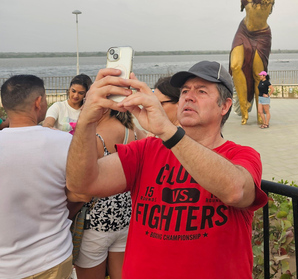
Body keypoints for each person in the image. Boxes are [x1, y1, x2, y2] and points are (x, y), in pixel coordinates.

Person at [66, 61, 268, 278]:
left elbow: (235, 190)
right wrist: (87, 119)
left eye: (201, 91)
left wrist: (167, 130)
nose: (189, 97)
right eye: (184, 91)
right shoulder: (145, 151)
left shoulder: (242, 155)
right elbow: (81, 184)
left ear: (225, 106)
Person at [0, 75, 89, 279]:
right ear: (39, 102)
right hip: (52, 257)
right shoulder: (65, 142)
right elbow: (83, 194)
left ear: (5, 105)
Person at [75, 110, 144, 279]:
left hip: (96, 225)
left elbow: (80, 186)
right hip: (125, 221)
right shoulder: (134, 132)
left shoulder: (94, 135)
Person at [229, 0, 275, 125]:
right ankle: (243, 110)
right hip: (243, 31)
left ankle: (260, 114)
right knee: (235, 66)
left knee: (258, 76)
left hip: (261, 35)